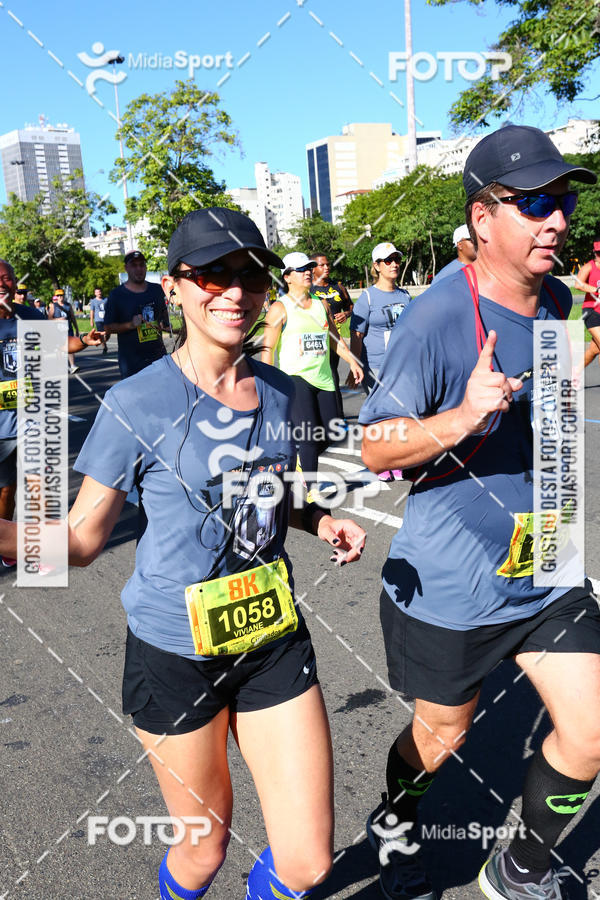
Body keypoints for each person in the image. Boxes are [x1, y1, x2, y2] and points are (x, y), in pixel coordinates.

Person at [0, 209, 366, 900]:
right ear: (175, 287)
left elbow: (270, 492)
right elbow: (79, 543)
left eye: (250, 274)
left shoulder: (287, 393)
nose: (234, 291)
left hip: (270, 637)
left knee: (308, 863)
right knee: (204, 850)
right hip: (173, 653)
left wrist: (318, 521)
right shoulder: (135, 402)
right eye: (211, 274)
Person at [359, 124, 598, 900]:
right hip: (457, 584)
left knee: (591, 730)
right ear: (482, 217)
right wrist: (460, 418)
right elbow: (374, 449)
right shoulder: (437, 319)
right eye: (533, 202)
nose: (556, 218)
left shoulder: (558, 297)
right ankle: (394, 824)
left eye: (560, 199)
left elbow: (551, 394)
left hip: (547, 561)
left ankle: (519, 867)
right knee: (443, 737)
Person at [261, 251, 363, 493]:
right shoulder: (279, 308)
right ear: (287, 277)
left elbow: (335, 340)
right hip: (295, 378)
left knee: (332, 432)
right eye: (301, 269)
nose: (307, 271)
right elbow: (267, 350)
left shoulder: (321, 304)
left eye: (309, 267)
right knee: (307, 435)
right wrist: (267, 386)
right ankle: (310, 491)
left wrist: (353, 361)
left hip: (324, 378)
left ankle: (296, 463)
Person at [104, 249, 170, 379]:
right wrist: (130, 325)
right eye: (134, 265)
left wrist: (164, 325)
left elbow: (164, 316)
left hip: (158, 359)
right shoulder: (117, 295)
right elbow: (108, 327)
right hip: (131, 363)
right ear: (126, 268)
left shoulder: (156, 290)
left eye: (142, 265)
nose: (139, 269)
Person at [310, 253, 354, 419]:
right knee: (318, 375)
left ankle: (338, 415)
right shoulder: (309, 290)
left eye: (327, 264)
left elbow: (351, 306)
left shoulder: (338, 287)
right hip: (316, 340)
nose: (326, 267)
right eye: (322, 265)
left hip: (335, 339)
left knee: (333, 374)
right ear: (313, 269)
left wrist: (346, 314)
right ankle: (317, 413)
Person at [575, 241, 600, 370]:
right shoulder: (589, 267)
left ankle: (573, 373)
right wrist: (596, 289)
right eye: (598, 253)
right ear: (594, 253)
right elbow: (578, 284)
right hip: (591, 311)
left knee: (594, 350)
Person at [48, 288, 80, 373]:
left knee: (70, 348)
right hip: (58, 331)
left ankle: (72, 365)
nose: (60, 297)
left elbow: (73, 318)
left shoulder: (68, 305)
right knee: (59, 348)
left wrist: (76, 329)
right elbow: (49, 319)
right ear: (56, 297)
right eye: (58, 296)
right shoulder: (53, 306)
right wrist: (58, 319)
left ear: (64, 296)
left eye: (61, 295)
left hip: (68, 329)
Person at [89, 287, 108, 355]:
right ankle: (104, 347)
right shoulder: (93, 301)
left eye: (99, 291)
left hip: (106, 319)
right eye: (97, 292)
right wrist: (91, 320)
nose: (99, 293)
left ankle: (104, 342)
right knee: (101, 334)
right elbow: (92, 311)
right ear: (95, 293)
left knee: (108, 333)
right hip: (98, 320)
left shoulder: (106, 300)